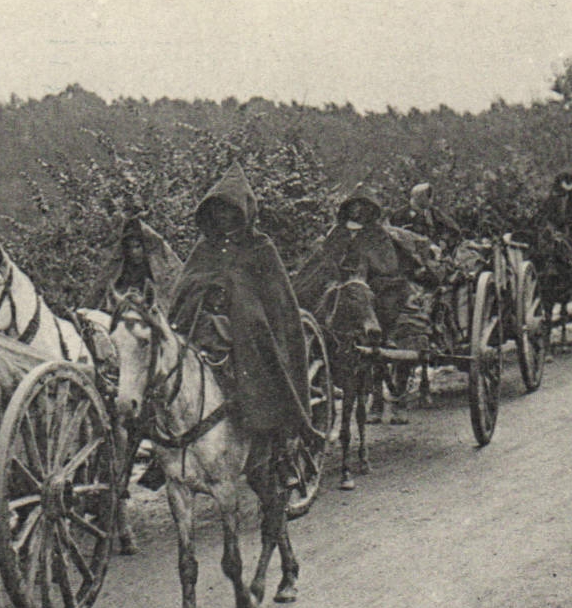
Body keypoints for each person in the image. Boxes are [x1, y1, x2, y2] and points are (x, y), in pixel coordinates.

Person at [167, 164, 323, 448]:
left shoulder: (260, 247)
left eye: (230, 210)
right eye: (218, 211)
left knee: (259, 350)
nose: (223, 217)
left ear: (243, 212)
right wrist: (203, 292)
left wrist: (237, 294)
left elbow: (276, 299)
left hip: (250, 327)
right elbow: (187, 285)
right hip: (204, 320)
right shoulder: (205, 248)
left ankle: (270, 427)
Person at [300, 190, 438, 351]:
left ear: (370, 210)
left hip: (373, 284)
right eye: (354, 206)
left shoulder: (377, 234)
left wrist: (367, 267)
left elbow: (388, 264)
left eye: (363, 207)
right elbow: (322, 260)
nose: (358, 211)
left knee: (377, 295)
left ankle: (376, 331)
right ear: (347, 209)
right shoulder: (337, 233)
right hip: (335, 282)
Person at [93, 213, 184, 316]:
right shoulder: (121, 271)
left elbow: (168, 290)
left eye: (137, 247)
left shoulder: (155, 269)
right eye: (129, 248)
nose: (134, 252)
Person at [392, 182, 462, 247]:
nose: (430, 199)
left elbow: (454, 229)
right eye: (427, 195)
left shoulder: (434, 213)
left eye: (430, 195)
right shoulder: (400, 215)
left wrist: (443, 240)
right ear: (418, 196)